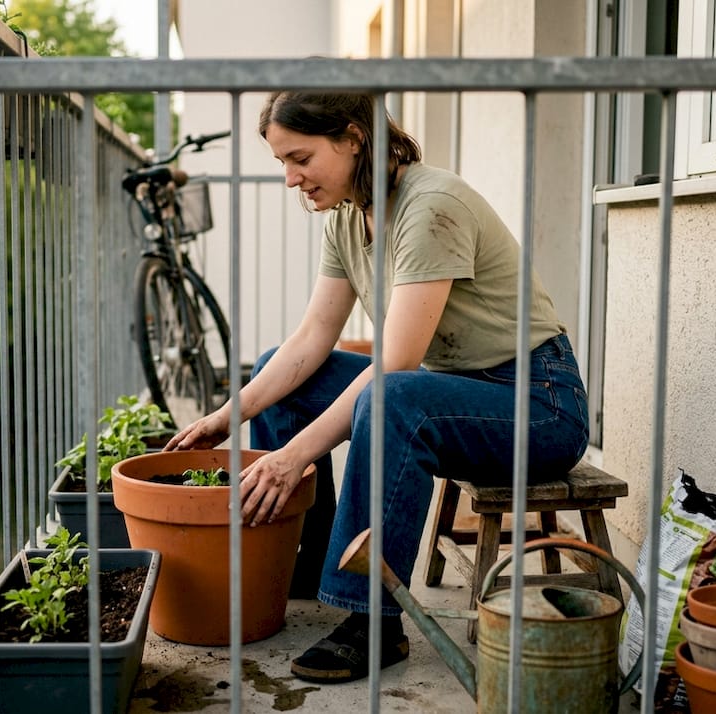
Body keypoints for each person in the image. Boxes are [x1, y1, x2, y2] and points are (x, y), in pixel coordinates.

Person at [164, 91, 590, 684]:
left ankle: (371, 617)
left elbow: (395, 362)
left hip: (537, 405)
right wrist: (226, 415)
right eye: (283, 162)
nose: (291, 179)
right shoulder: (346, 214)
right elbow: (313, 337)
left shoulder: (430, 205)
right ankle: (310, 562)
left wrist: (292, 457)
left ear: (353, 137)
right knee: (279, 374)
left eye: (300, 158)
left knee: (391, 398)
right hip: (451, 388)